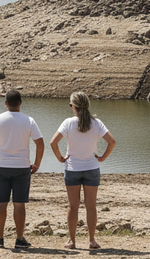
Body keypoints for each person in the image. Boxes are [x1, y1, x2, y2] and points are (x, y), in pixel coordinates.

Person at [49, 91, 116, 250]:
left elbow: (53, 143)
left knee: (73, 206)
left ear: (74, 107)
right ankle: (92, 241)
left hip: (72, 169)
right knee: (91, 206)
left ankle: (72, 241)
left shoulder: (68, 123)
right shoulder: (96, 123)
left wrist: (60, 158)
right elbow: (112, 142)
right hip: (92, 168)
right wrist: (102, 158)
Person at [0, 90, 45, 249]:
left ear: (6, 103)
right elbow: (40, 143)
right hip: (22, 167)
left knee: (1, 204)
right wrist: (37, 163)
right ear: (20, 103)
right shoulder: (29, 120)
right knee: (19, 204)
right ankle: (19, 239)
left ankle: (0, 239)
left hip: (1, 166)